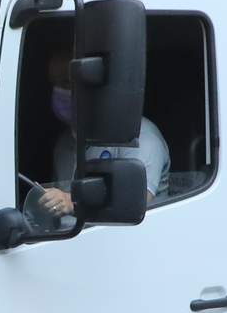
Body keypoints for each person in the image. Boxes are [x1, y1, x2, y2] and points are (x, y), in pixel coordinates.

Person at [25, 37, 171, 224]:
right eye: (54, 85)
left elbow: (134, 202)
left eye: (67, 84)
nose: (59, 93)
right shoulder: (65, 143)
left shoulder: (138, 137)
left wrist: (71, 201)